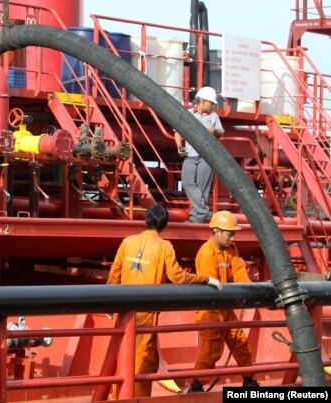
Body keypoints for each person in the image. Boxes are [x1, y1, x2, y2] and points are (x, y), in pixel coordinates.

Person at [106, 204, 222, 398]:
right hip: (146, 317)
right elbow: (178, 277)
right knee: (142, 364)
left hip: (123, 313)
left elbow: (114, 276)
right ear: (164, 225)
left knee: (121, 359)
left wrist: (108, 304)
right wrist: (205, 279)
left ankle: (115, 397)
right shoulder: (164, 246)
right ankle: (136, 399)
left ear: (146, 221)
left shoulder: (127, 243)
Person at [187, 210, 259, 392]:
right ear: (216, 231)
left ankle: (249, 379)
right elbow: (212, 286)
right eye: (229, 233)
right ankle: (196, 386)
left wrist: (250, 289)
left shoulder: (231, 249)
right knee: (212, 350)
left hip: (224, 307)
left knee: (240, 342)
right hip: (210, 310)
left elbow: (239, 272)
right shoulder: (206, 254)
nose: (232, 238)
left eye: (234, 234)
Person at [174, 86, 224, 223]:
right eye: (211, 103)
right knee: (187, 183)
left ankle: (195, 219)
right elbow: (178, 131)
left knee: (202, 188)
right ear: (202, 101)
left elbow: (220, 133)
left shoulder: (214, 117)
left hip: (206, 158)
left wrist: (214, 130)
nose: (213, 106)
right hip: (190, 156)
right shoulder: (188, 114)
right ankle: (203, 212)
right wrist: (179, 147)